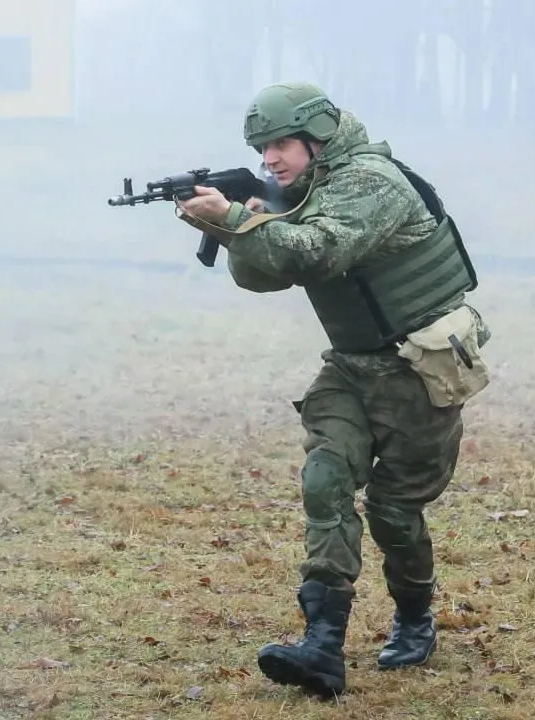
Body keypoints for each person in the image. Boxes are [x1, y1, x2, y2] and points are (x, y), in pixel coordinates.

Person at [174, 81, 492, 697]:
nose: (271, 160)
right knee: (324, 479)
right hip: (350, 368)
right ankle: (322, 646)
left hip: (417, 371)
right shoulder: (302, 189)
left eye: (281, 145)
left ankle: (414, 617)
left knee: (395, 515)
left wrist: (237, 217)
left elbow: (317, 253)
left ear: (319, 138)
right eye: (262, 149)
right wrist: (243, 222)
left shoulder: (372, 181)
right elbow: (263, 279)